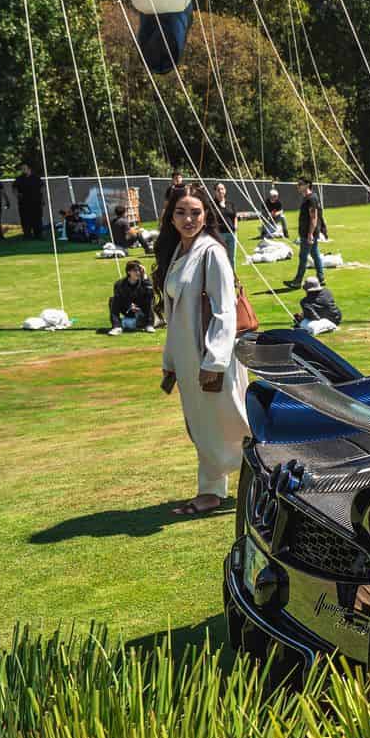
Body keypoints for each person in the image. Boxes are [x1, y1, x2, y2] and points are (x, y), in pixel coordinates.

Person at [154, 189, 251, 515]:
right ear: (171, 217)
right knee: (202, 426)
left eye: (195, 212)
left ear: (206, 215)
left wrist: (215, 361)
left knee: (234, 422)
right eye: (181, 212)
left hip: (212, 358)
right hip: (187, 359)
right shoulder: (177, 253)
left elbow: (224, 311)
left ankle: (274, 471)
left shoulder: (212, 252)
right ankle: (211, 491)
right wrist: (170, 361)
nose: (189, 219)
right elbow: (175, 317)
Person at [287, 177, 325, 287]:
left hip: (308, 233)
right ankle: (321, 277)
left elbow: (314, 217)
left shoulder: (311, 199)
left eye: (300, 184)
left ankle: (297, 281)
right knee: (315, 254)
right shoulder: (307, 198)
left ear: (307, 185)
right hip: (308, 232)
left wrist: (310, 234)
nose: (298, 186)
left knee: (303, 257)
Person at [107, 260, 156, 333]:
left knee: (149, 297)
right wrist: (129, 305)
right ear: (128, 272)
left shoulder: (145, 282)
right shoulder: (119, 284)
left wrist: (145, 276)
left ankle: (149, 325)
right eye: (135, 270)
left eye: (140, 270)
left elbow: (151, 295)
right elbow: (120, 299)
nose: (138, 273)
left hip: (142, 310)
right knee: (113, 300)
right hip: (127, 310)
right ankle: (116, 326)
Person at [13, 162, 45, 239]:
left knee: (37, 218)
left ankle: (38, 234)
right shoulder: (19, 179)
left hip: (36, 202)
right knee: (25, 219)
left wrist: (43, 199)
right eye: (22, 169)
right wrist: (17, 195)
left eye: (24, 168)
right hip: (24, 203)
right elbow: (14, 188)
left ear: (29, 169)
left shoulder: (36, 178)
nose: (23, 170)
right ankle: (27, 234)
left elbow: (42, 188)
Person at [212, 182, 238, 258]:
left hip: (231, 233)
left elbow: (235, 216)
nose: (220, 191)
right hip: (219, 234)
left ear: (225, 190)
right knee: (220, 257)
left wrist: (235, 226)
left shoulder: (230, 204)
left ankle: (231, 267)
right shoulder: (212, 204)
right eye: (218, 190)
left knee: (231, 257)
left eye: (222, 189)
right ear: (215, 192)